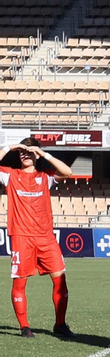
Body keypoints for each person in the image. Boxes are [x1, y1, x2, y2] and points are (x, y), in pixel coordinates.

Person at [2, 138, 74, 339]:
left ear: (36, 154)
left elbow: (67, 172)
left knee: (60, 279)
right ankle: (24, 327)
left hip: (46, 237)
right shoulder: (10, 175)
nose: (25, 155)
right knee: (20, 283)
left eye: (30, 151)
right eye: (22, 152)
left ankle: (60, 324)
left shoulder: (45, 176)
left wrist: (44, 154)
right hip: (22, 237)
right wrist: (9, 147)